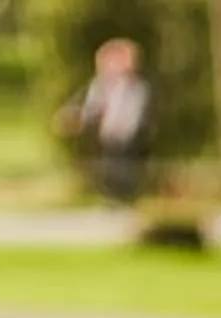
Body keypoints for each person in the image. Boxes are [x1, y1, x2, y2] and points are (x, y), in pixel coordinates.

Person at [56, 36, 153, 207]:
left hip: (130, 135)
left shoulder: (137, 87)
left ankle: (127, 199)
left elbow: (137, 111)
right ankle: (113, 199)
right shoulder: (101, 85)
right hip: (109, 134)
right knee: (110, 168)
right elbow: (92, 108)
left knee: (127, 168)